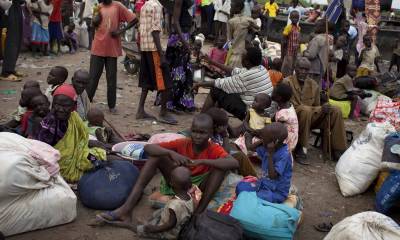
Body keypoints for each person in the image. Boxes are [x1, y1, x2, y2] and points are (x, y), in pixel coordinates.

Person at [96, 114, 239, 224]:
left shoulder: (214, 148)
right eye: (194, 131)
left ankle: (198, 214)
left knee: (220, 167)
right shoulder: (183, 142)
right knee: (156, 156)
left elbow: (234, 163)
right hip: (178, 182)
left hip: (199, 187)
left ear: (210, 134)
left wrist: (202, 161)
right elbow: (147, 147)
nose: (197, 136)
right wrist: (170, 153)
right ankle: (126, 209)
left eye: (202, 133)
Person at [36, 84, 107, 183]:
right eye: (57, 104)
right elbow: (43, 154)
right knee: (99, 164)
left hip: (80, 154)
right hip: (61, 168)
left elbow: (81, 138)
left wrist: (93, 143)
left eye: (65, 106)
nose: (60, 109)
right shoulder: (50, 125)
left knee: (98, 158)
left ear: (74, 107)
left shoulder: (73, 117)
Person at [283, 57, 347, 165]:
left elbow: (317, 107)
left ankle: (338, 149)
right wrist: (316, 109)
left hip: (310, 117)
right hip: (293, 117)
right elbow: (285, 106)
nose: (303, 72)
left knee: (335, 110)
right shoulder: (287, 82)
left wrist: (323, 106)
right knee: (305, 109)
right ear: (295, 68)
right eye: (301, 68)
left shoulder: (314, 85)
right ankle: (301, 148)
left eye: (306, 69)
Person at [87, 0, 138, 113]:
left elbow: (134, 19)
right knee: (93, 77)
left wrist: (121, 31)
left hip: (112, 48)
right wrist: (94, 22)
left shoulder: (117, 6)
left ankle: (111, 105)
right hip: (98, 48)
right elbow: (93, 26)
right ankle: (86, 103)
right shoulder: (98, 7)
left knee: (111, 78)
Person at [197, 46, 273, 121]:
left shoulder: (247, 75)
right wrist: (212, 62)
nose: (241, 59)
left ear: (246, 61)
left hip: (251, 115)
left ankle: (199, 122)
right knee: (223, 92)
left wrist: (199, 84)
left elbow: (219, 83)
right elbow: (234, 71)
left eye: (242, 57)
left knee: (216, 90)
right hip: (262, 111)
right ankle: (213, 122)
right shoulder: (261, 68)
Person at [136, 0, 177, 125]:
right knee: (166, 82)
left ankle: (140, 110)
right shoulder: (157, 6)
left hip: (145, 48)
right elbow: (155, 31)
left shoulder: (145, 5)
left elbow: (141, 28)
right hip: (154, 49)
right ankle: (163, 113)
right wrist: (162, 54)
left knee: (146, 80)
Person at [236, 122, 292, 204]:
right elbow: (251, 148)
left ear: (275, 142)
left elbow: (272, 176)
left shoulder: (284, 155)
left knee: (255, 198)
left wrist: (270, 155)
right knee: (240, 187)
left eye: (264, 138)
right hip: (263, 185)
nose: (261, 139)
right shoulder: (268, 147)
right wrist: (262, 140)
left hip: (276, 192)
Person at [156, 0, 196, 112]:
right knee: (176, 73)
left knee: (184, 71)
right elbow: (175, 22)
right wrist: (185, 42)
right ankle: (170, 103)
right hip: (179, 39)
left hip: (184, 36)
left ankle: (182, 102)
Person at [226, 0, 259, 68]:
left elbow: (229, 39)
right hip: (244, 51)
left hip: (235, 52)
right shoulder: (248, 19)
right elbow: (257, 29)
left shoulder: (231, 22)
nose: (230, 9)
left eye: (231, 7)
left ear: (238, 8)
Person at [303, 19, 334, 83]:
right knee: (317, 85)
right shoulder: (328, 38)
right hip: (323, 66)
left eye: (316, 26)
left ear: (322, 28)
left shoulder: (317, 39)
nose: (314, 28)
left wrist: (304, 53)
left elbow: (311, 55)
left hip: (314, 68)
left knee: (311, 85)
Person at [0, 0, 23, 81]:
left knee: (16, 40)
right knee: (11, 41)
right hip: (7, 7)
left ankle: (10, 68)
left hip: (15, 6)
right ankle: (6, 72)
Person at [271, 83, 298, 152]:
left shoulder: (282, 115)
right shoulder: (289, 106)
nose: (271, 93)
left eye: (273, 92)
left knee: (255, 140)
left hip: (285, 144)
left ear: (279, 98)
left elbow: (276, 132)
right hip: (292, 140)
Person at [281, 10, 300, 77]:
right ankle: (285, 78)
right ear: (290, 18)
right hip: (289, 51)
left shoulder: (298, 28)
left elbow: (297, 39)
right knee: (287, 66)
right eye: (293, 18)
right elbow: (283, 40)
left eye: (297, 18)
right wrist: (282, 53)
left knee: (293, 65)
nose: (295, 19)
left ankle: (291, 76)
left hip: (295, 51)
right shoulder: (288, 27)